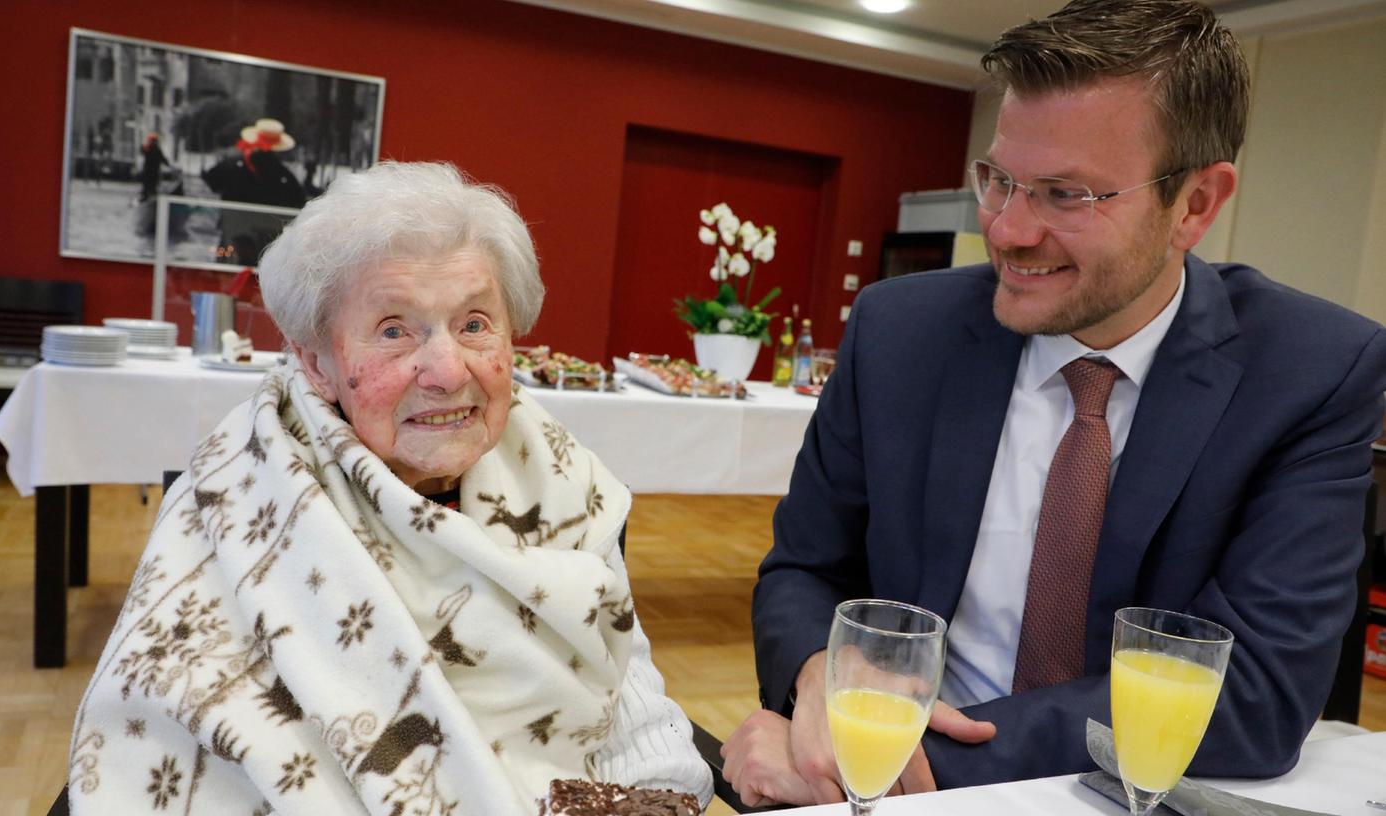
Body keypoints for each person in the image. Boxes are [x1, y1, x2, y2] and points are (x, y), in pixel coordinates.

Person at [722, 0, 1386, 807]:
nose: (1006, 230)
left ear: (1197, 205)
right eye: (997, 179)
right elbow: (803, 568)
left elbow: (1250, 694)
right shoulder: (900, 331)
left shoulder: (1309, 370)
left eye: (1065, 195)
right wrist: (813, 671)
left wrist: (898, 761)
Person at [70, 161, 713, 814]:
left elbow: (624, 682)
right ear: (316, 362)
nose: (445, 370)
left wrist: (659, 797)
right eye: (394, 330)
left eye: (473, 324)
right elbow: (185, 742)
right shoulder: (242, 495)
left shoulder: (556, 474)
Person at [202, 117, 308, 264]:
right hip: (268, 246)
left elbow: (211, 181)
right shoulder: (285, 176)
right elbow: (297, 204)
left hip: (232, 238)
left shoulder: (231, 166)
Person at [138, 132, 171, 203]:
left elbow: (162, 159)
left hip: (153, 172)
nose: (152, 142)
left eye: (153, 140)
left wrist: (169, 165)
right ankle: (146, 197)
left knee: (152, 185)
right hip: (149, 171)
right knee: (147, 185)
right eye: (151, 140)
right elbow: (142, 151)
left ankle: (150, 198)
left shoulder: (156, 150)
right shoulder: (148, 148)